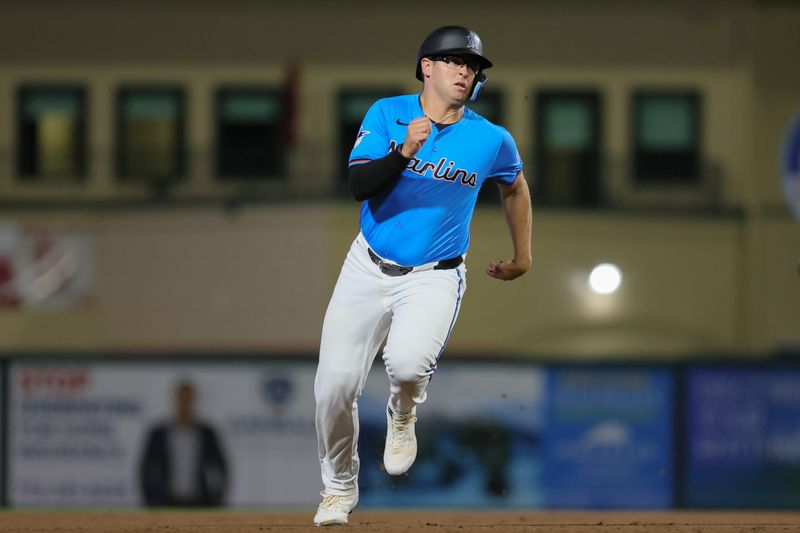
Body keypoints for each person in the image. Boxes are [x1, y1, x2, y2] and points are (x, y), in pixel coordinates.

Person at [313, 25, 532, 526]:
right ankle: (339, 488)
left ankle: (403, 411)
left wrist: (524, 254)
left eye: (472, 65)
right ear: (426, 67)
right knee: (332, 388)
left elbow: (514, 188)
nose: (465, 70)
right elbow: (358, 184)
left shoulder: (491, 138)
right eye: (454, 60)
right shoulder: (388, 114)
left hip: (435, 274)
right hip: (367, 267)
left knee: (409, 367)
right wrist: (402, 151)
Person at [139, 380, 228, 507]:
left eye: (188, 399)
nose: (185, 403)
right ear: (175, 400)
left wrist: (218, 497)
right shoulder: (159, 433)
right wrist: (150, 498)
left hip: (199, 501)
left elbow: (221, 466)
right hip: (167, 500)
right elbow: (146, 467)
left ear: (194, 400)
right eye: (182, 398)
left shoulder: (206, 433)